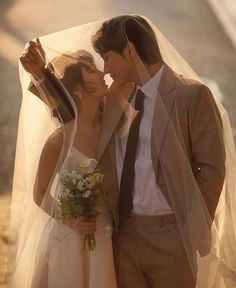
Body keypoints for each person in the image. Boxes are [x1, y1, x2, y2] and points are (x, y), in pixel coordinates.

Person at [91, 15, 226, 288]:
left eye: (107, 57)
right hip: (125, 236)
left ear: (130, 50)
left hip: (171, 237)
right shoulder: (119, 96)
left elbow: (211, 168)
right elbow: (75, 119)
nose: (105, 69)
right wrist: (41, 77)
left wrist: (188, 232)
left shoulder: (192, 95)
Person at [13, 48, 117, 288]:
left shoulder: (113, 125)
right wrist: (71, 219)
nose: (103, 74)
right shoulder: (60, 140)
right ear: (77, 90)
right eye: (91, 71)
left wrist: (42, 76)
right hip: (71, 239)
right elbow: (39, 195)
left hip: (109, 234)